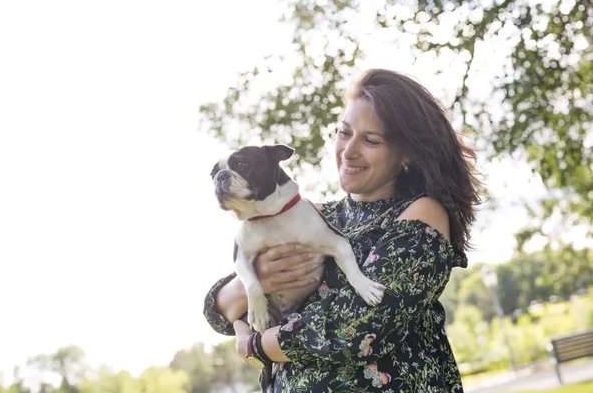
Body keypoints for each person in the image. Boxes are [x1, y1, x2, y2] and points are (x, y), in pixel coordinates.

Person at [203, 68, 482, 392]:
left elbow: (352, 328)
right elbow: (217, 311)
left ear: (406, 154)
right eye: (344, 132)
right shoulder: (313, 213)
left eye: (370, 140)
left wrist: (255, 346)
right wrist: (251, 285)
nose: (349, 151)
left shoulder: (421, 213)